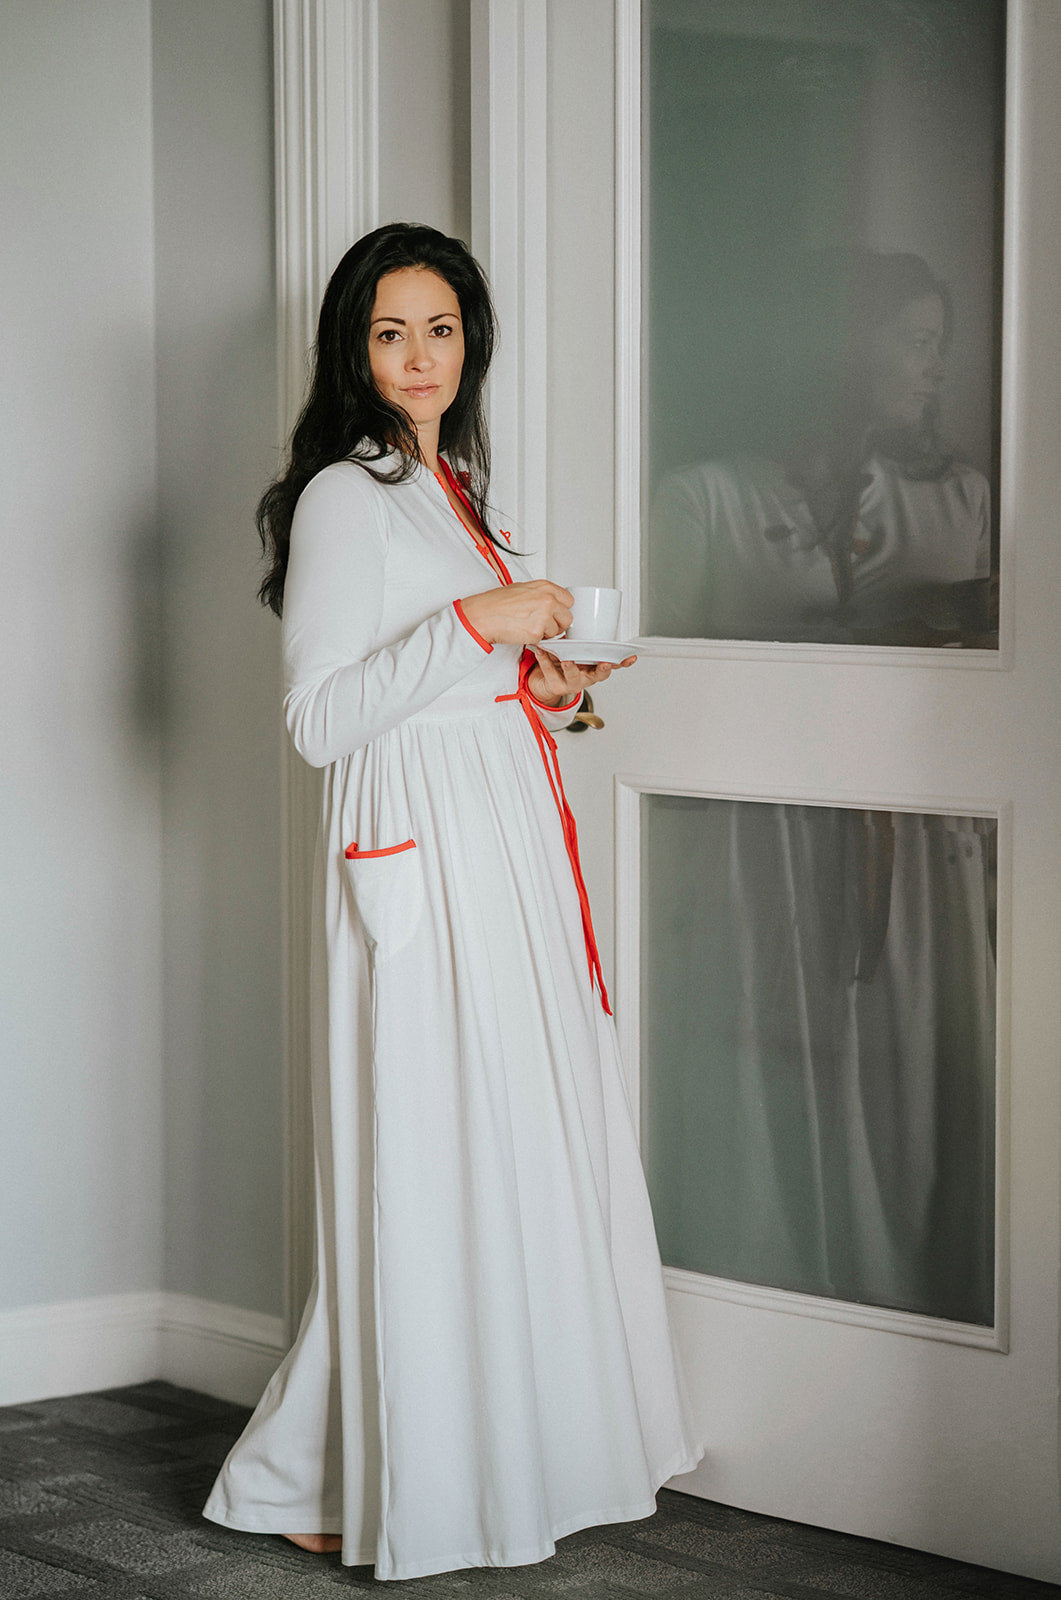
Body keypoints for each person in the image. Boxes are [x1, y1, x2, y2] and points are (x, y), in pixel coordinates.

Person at [201, 222, 702, 1582]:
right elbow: (318, 719)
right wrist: (481, 627)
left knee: (503, 1146)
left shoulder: (455, 486)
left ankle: (366, 1465)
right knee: (422, 1160)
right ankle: (337, 1475)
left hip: (505, 848)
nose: (420, 357)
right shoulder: (339, 498)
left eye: (441, 328)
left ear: (467, 340)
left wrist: (550, 688)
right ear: (351, 349)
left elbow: (459, 680)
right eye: (389, 331)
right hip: (415, 853)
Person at [646, 251, 996, 646]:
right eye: (919, 343)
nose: (938, 368)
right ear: (843, 345)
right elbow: (657, 661)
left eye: (938, 345)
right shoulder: (702, 499)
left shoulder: (964, 497)